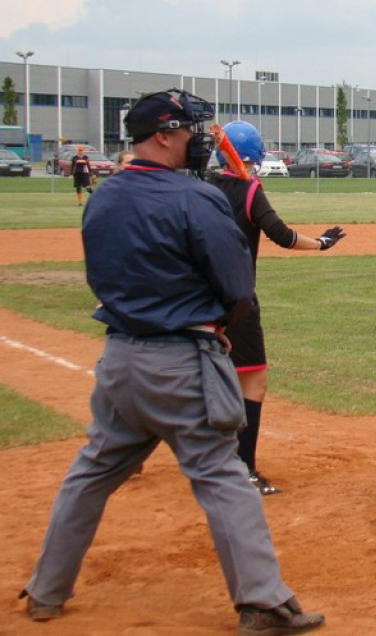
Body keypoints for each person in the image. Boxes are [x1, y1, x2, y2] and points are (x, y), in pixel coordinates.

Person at [19, 90, 325, 635]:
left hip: (118, 360)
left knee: (90, 473)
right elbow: (237, 286)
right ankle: (261, 602)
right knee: (222, 474)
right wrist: (219, 329)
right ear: (163, 135)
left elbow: (100, 278)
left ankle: (46, 590)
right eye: (189, 129)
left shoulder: (104, 197)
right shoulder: (196, 198)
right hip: (183, 360)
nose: (198, 139)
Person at [208, 120, 345, 496]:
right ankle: (245, 469)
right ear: (255, 156)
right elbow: (281, 235)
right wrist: (321, 243)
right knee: (252, 381)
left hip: (200, 301)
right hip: (237, 301)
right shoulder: (249, 190)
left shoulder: (202, 187)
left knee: (205, 379)